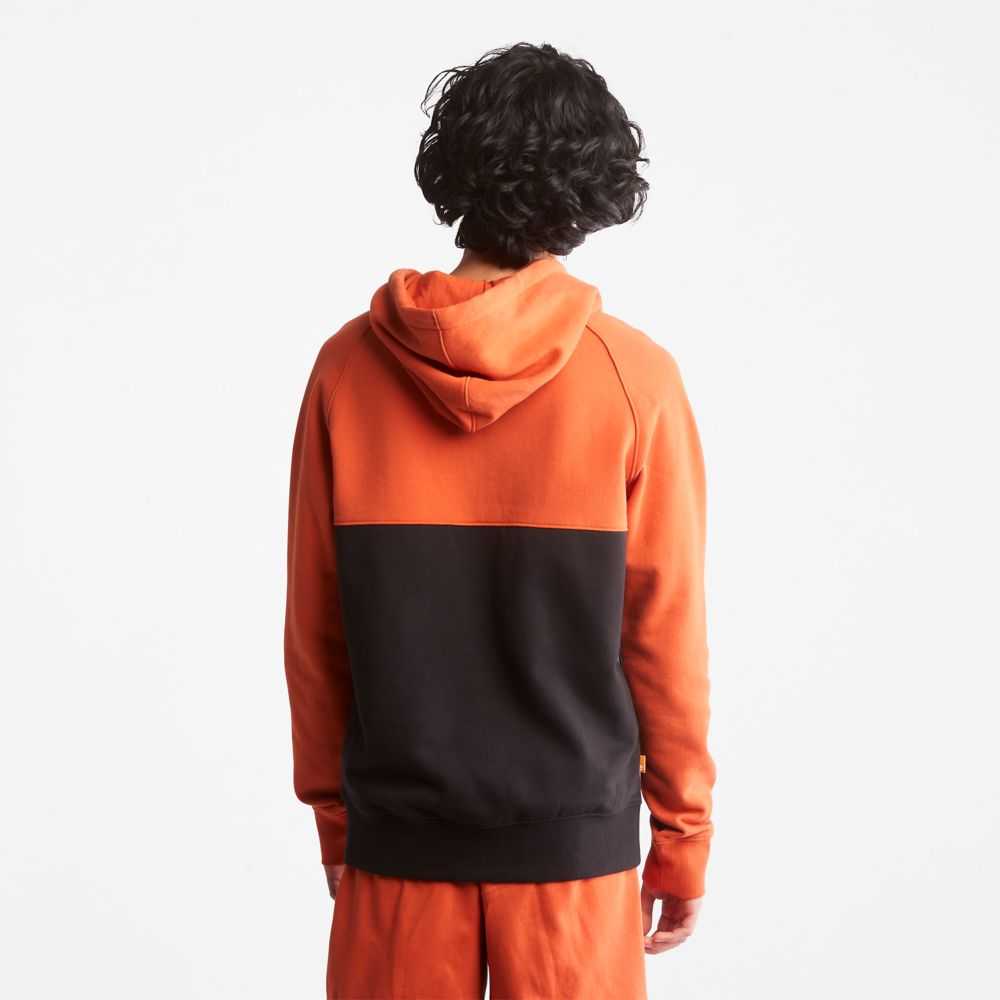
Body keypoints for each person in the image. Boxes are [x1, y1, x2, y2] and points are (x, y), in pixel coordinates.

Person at [283, 41, 715, 1000]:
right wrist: (682, 838)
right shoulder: (635, 380)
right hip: (574, 862)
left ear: (454, 172)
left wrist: (337, 822)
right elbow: (665, 634)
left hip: (398, 852)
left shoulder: (346, 371)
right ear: (592, 191)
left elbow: (316, 627)